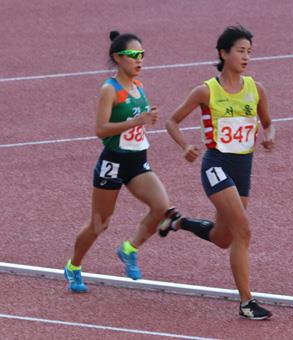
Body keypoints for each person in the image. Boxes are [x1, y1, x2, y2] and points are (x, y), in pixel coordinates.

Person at [164, 25, 275, 320]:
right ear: (223, 53)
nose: (246, 56)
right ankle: (246, 302)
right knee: (244, 230)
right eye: (241, 51)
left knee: (223, 237)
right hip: (216, 165)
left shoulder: (256, 88)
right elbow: (172, 122)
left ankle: (180, 222)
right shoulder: (206, 90)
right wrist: (185, 145)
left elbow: (268, 122)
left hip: (244, 169)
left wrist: (270, 136)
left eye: (249, 51)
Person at [64, 31, 173, 292]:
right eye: (134, 56)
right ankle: (74, 266)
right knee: (100, 223)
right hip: (113, 162)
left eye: (142, 55)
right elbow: (101, 130)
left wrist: (148, 118)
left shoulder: (139, 87)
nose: (140, 60)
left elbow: (139, 121)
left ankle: (129, 249)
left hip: (137, 161)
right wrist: (135, 122)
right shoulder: (109, 89)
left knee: (161, 207)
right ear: (118, 58)